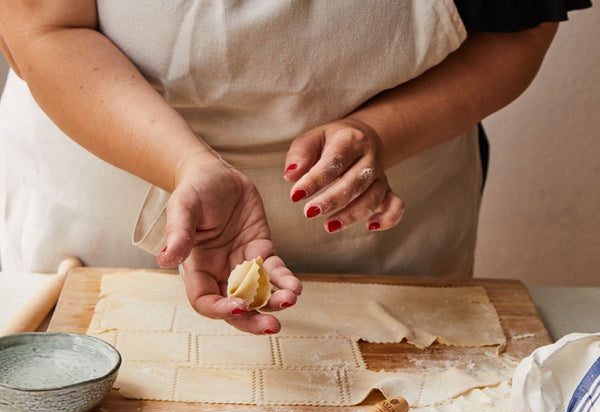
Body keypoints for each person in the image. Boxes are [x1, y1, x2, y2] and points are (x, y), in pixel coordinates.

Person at [0, 1, 590, 335]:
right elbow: (43, 28)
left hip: (389, 238)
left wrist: (380, 132)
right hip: (105, 203)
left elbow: (516, 35)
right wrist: (185, 163)